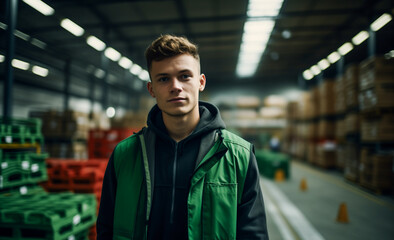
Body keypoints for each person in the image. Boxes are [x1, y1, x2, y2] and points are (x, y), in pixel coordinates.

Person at [97, 34, 269, 239]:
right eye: (164, 79)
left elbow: (253, 234)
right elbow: (106, 228)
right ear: (151, 89)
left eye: (185, 76)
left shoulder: (238, 155)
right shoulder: (124, 155)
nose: (176, 86)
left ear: (201, 82)